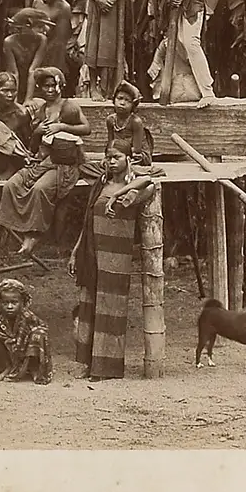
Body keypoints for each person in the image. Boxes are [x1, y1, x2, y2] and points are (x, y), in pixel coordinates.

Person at [69, 139, 160, 381]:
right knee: (89, 304)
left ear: (128, 158)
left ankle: (106, 368)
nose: (111, 161)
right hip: (92, 252)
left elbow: (150, 181)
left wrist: (118, 194)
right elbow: (87, 221)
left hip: (117, 257)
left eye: (117, 157)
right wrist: (76, 251)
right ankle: (87, 364)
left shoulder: (136, 187)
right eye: (108, 157)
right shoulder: (100, 183)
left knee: (111, 307)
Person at [0, 66, 90, 255]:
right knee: (12, 185)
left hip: (64, 164)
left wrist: (62, 127)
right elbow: (34, 145)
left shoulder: (69, 106)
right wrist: (37, 132)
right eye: (45, 86)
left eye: (53, 85)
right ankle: (10, 232)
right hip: (41, 161)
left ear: (61, 85)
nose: (50, 90)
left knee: (39, 189)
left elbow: (86, 129)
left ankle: (33, 234)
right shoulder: (42, 109)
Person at [0, 278, 53, 385]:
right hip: (11, 348)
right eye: (5, 303)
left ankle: (34, 368)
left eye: (14, 303)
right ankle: (8, 367)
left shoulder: (27, 316)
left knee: (38, 334)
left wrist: (15, 339)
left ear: (22, 302)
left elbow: (24, 338)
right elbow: (6, 334)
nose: (9, 306)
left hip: (26, 348)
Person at [31, 0, 74, 89]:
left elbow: (60, 42)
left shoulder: (63, 8)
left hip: (53, 52)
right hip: (35, 46)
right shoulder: (37, 2)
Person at [1, 6, 49, 104]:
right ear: (24, 28)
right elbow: (14, 72)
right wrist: (14, 101)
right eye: (39, 27)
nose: (43, 30)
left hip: (34, 83)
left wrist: (28, 99)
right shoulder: (9, 42)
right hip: (15, 83)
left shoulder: (42, 40)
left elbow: (33, 70)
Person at [106, 80, 153, 167]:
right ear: (114, 100)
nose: (122, 103)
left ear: (133, 105)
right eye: (119, 98)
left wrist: (121, 155)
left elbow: (137, 149)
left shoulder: (135, 122)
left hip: (134, 155)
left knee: (130, 166)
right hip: (117, 154)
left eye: (127, 100)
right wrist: (109, 157)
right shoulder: (110, 120)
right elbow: (110, 143)